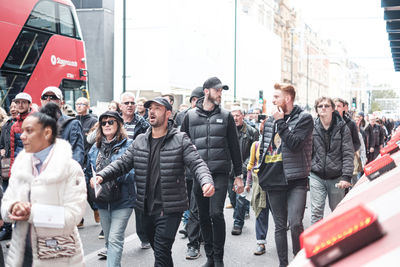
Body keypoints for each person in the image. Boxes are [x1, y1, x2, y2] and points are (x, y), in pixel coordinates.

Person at [91, 97, 215, 266]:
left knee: (162, 249)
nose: (152, 111)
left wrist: (206, 181)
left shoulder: (180, 139)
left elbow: (197, 163)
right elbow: (122, 163)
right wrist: (102, 175)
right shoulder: (140, 140)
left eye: (157, 108)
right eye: (150, 108)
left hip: (170, 208)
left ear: (168, 113)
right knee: (160, 252)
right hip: (146, 208)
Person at [1, 102, 86, 266]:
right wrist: (13, 208)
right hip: (23, 253)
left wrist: (32, 213)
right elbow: (6, 204)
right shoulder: (20, 166)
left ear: (47, 133)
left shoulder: (70, 168)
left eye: (29, 131)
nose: (22, 136)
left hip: (57, 254)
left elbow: (73, 215)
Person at [181, 77, 243, 267]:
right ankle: (209, 257)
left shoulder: (225, 116)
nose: (220, 94)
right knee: (203, 216)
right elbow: (181, 145)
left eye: (221, 91)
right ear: (206, 91)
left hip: (219, 173)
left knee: (216, 213)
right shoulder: (190, 117)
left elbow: (234, 147)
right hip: (198, 175)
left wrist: (239, 176)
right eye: (217, 91)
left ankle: (219, 259)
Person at [257, 83, 313, 267]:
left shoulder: (304, 118)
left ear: (287, 98)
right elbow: (265, 147)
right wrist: (260, 169)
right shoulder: (271, 120)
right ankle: (283, 264)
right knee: (280, 226)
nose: (272, 101)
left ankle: (299, 260)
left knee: (295, 222)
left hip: (296, 178)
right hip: (274, 178)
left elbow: (295, 143)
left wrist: (281, 122)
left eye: (276, 97)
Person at [87, 111, 135, 266]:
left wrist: (108, 177)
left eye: (111, 122)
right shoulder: (95, 147)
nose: (106, 125)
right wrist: (91, 180)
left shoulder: (129, 145)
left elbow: (133, 172)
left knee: (115, 239)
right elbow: (89, 169)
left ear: (119, 125)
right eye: (103, 123)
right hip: (102, 199)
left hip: (123, 199)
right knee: (109, 240)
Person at [309, 97, 354, 224]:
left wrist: (346, 177)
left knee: (336, 212)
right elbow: (307, 151)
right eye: (320, 106)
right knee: (316, 212)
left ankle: (338, 241)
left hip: (336, 177)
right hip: (316, 175)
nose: (323, 108)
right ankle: (316, 243)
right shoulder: (312, 127)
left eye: (327, 106)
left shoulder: (342, 128)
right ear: (317, 110)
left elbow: (348, 153)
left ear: (332, 109)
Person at [120, 92, 151, 249]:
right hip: (118, 167)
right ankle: (112, 240)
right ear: (121, 106)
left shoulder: (143, 124)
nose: (130, 105)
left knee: (139, 203)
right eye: (126, 103)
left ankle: (143, 236)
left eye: (132, 103)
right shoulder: (113, 121)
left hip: (138, 167)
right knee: (116, 202)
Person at [231, 106, 259, 236]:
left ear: (243, 116)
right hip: (228, 171)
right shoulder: (227, 130)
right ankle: (238, 214)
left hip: (243, 170)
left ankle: (238, 223)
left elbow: (255, 153)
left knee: (240, 198)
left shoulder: (252, 132)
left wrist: (244, 166)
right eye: (233, 116)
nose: (235, 118)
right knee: (232, 199)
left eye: (237, 115)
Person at [40, 86, 84, 166]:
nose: (48, 100)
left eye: (53, 97)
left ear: (61, 103)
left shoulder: (72, 124)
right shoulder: (36, 124)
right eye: (45, 97)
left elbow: (77, 155)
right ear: (41, 101)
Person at [75, 97, 101, 226]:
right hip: (76, 159)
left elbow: (95, 141)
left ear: (87, 106)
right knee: (76, 189)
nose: (79, 106)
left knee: (90, 190)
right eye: (77, 104)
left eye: (82, 104)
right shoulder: (73, 121)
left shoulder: (93, 121)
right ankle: (79, 218)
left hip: (89, 158)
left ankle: (95, 208)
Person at [245, 138, 270, 256]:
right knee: (260, 213)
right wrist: (248, 183)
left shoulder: (278, 143)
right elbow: (251, 164)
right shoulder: (256, 145)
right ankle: (260, 243)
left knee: (280, 216)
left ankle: (283, 243)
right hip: (259, 183)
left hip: (275, 185)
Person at [0, 101, 17, 241]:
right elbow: (1, 144)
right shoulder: (6, 125)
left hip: (19, 169)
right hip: (7, 169)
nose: (13, 109)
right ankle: (7, 228)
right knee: (6, 199)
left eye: (15, 106)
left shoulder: (28, 123)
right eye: (11, 107)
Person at [10, 93, 34, 175]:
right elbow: (13, 152)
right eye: (18, 102)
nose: (20, 105)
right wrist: (11, 172)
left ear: (29, 104)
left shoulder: (38, 121)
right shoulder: (14, 126)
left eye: (23, 102)